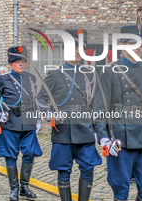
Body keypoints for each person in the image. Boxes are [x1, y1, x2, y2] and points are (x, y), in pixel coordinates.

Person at [94, 25, 142, 201]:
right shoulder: (109, 71)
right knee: (121, 189)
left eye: (140, 43)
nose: (138, 47)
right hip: (120, 137)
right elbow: (100, 108)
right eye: (133, 42)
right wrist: (103, 138)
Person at [36, 29, 101, 201]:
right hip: (63, 131)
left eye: (82, 48)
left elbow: (96, 103)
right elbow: (40, 99)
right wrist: (50, 115)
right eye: (75, 48)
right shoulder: (55, 74)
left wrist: (98, 129)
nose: (79, 52)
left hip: (85, 130)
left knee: (88, 168)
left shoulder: (90, 74)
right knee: (63, 170)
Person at [0, 46, 42, 201]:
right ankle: (14, 189)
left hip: (29, 121)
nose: (20, 64)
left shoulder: (31, 78)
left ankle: (25, 187)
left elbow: (36, 100)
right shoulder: (3, 79)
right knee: (10, 156)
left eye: (22, 61)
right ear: (11, 64)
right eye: (17, 62)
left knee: (29, 154)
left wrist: (38, 118)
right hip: (10, 122)